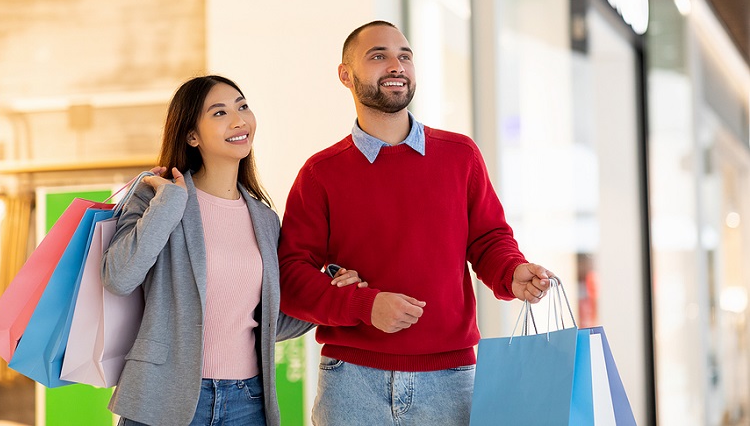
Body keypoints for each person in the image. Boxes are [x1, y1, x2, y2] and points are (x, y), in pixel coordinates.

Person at [277, 21, 555, 425]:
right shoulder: (321, 173)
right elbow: (290, 277)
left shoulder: (460, 155)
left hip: (452, 381)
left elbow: (489, 240)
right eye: (378, 56)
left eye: (404, 56)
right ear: (345, 74)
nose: (396, 65)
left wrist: (512, 272)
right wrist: (364, 305)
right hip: (352, 383)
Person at [101, 75, 364, 426]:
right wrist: (169, 204)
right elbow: (119, 277)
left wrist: (329, 289)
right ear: (191, 135)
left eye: (242, 107)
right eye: (220, 113)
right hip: (164, 396)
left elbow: (271, 322)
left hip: (246, 400)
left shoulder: (265, 219)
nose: (239, 120)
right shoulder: (157, 197)